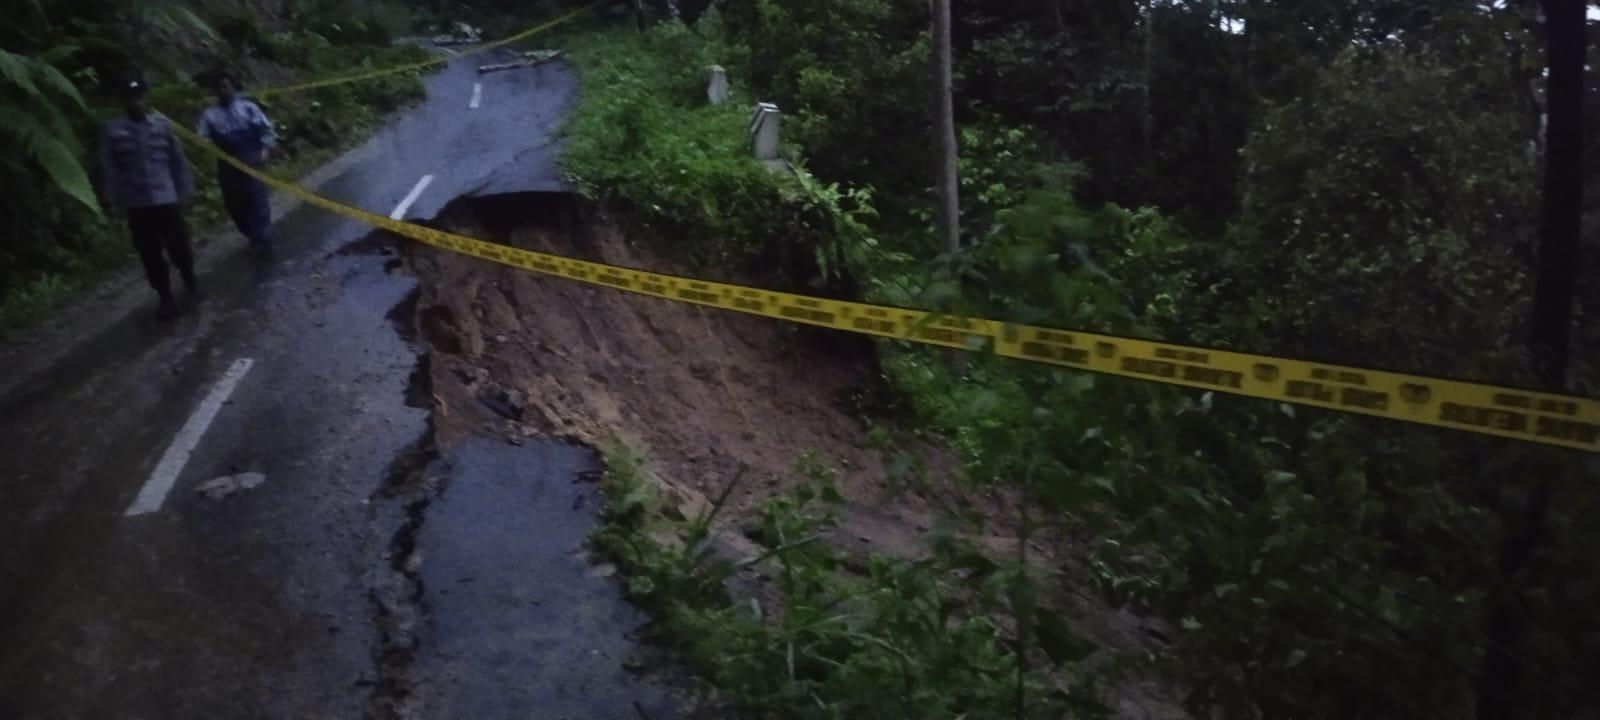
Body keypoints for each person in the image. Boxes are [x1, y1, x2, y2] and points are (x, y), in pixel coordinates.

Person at [97, 77, 196, 321]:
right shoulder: (113, 131)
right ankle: (165, 297)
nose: (136, 103)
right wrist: (111, 198)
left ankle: (188, 276)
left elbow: (177, 161)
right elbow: (108, 168)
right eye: (131, 98)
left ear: (146, 98)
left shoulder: (162, 126)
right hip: (138, 203)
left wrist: (185, 191)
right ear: (124, 102)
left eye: (140, 97)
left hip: (166, 198)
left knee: (178, 246)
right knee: (149, 253)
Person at [197, 71, 277, 255]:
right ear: (214, 91)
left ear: (233, 86)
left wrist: (264, 151)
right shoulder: (210, 116)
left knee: (258, 201)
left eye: (226, 86)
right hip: (227, 165)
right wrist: (211, 154)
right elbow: (202, 140)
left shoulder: (249, 108)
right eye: (219, 88)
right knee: (235, 205)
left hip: (251, 159)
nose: (223, 91)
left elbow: (266, 130)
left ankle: (265, 240)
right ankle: (253, 235)